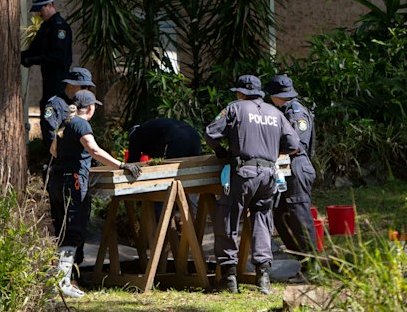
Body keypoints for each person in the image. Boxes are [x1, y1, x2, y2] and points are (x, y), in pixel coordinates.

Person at [205, 74, 300, 295]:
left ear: (241, 92)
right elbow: (294, 144)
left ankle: (229, 278)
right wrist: (269, 153)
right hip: (268, 175)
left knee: (229, 219)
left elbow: (211, 134)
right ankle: (263, 277)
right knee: (262, 221)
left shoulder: (235, 108)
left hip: (243, 174)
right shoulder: (275, 113)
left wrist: (222, 153)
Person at [48, 89, 142, 299]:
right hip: (73, 181)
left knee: (63, 230)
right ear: (89, 108)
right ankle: (62, 283)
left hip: (57, 180)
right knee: (73, 230)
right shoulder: (81, 123)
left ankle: (57, 281)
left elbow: (53, 150)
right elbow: (94, 150)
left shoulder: (65, 122)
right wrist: (122, 165)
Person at [265, 73, 321, 283]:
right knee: (282, 216)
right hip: (288, 169)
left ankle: (312, 268)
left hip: (297, 168)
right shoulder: (286, 111)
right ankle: (303, 264)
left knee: (299, 219)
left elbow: (295, 145)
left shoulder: (295, 112)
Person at [20, 0, 72, 120]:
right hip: (48, 77)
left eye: (41, 9)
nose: (39, 13)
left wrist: (33, 60)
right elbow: (35, 50)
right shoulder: (45, 28)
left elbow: (58, 55)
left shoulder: (60, 28)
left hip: (58, 78)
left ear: (50, 5)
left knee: (53, 110)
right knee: (46, 108)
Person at [42, 66, 96, 151]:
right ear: (71, 85)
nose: (86, 90)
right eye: (84, 87)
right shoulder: (55, 104)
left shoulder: (82, 103)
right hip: (63, 158)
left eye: (89, 87)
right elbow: (51, 135)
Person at [127, 117, 201, 162]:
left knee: (173, 172)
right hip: (195, 135)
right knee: (193, 168)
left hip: (178, 137)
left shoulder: (135, 135)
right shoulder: (151, 128)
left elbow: (133, 162)